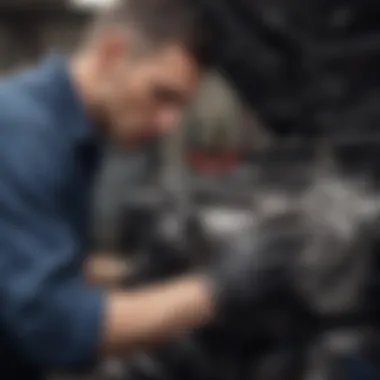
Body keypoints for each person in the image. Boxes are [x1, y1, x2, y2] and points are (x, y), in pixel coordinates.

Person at [0, 0, 280, 379]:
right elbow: (53, 327)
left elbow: (35, 256)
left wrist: (139, 271)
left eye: (180, 106)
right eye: (161, 95)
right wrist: (220, 288)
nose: (168, 125)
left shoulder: (64, 131)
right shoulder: (24, 134)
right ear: (112, 52)